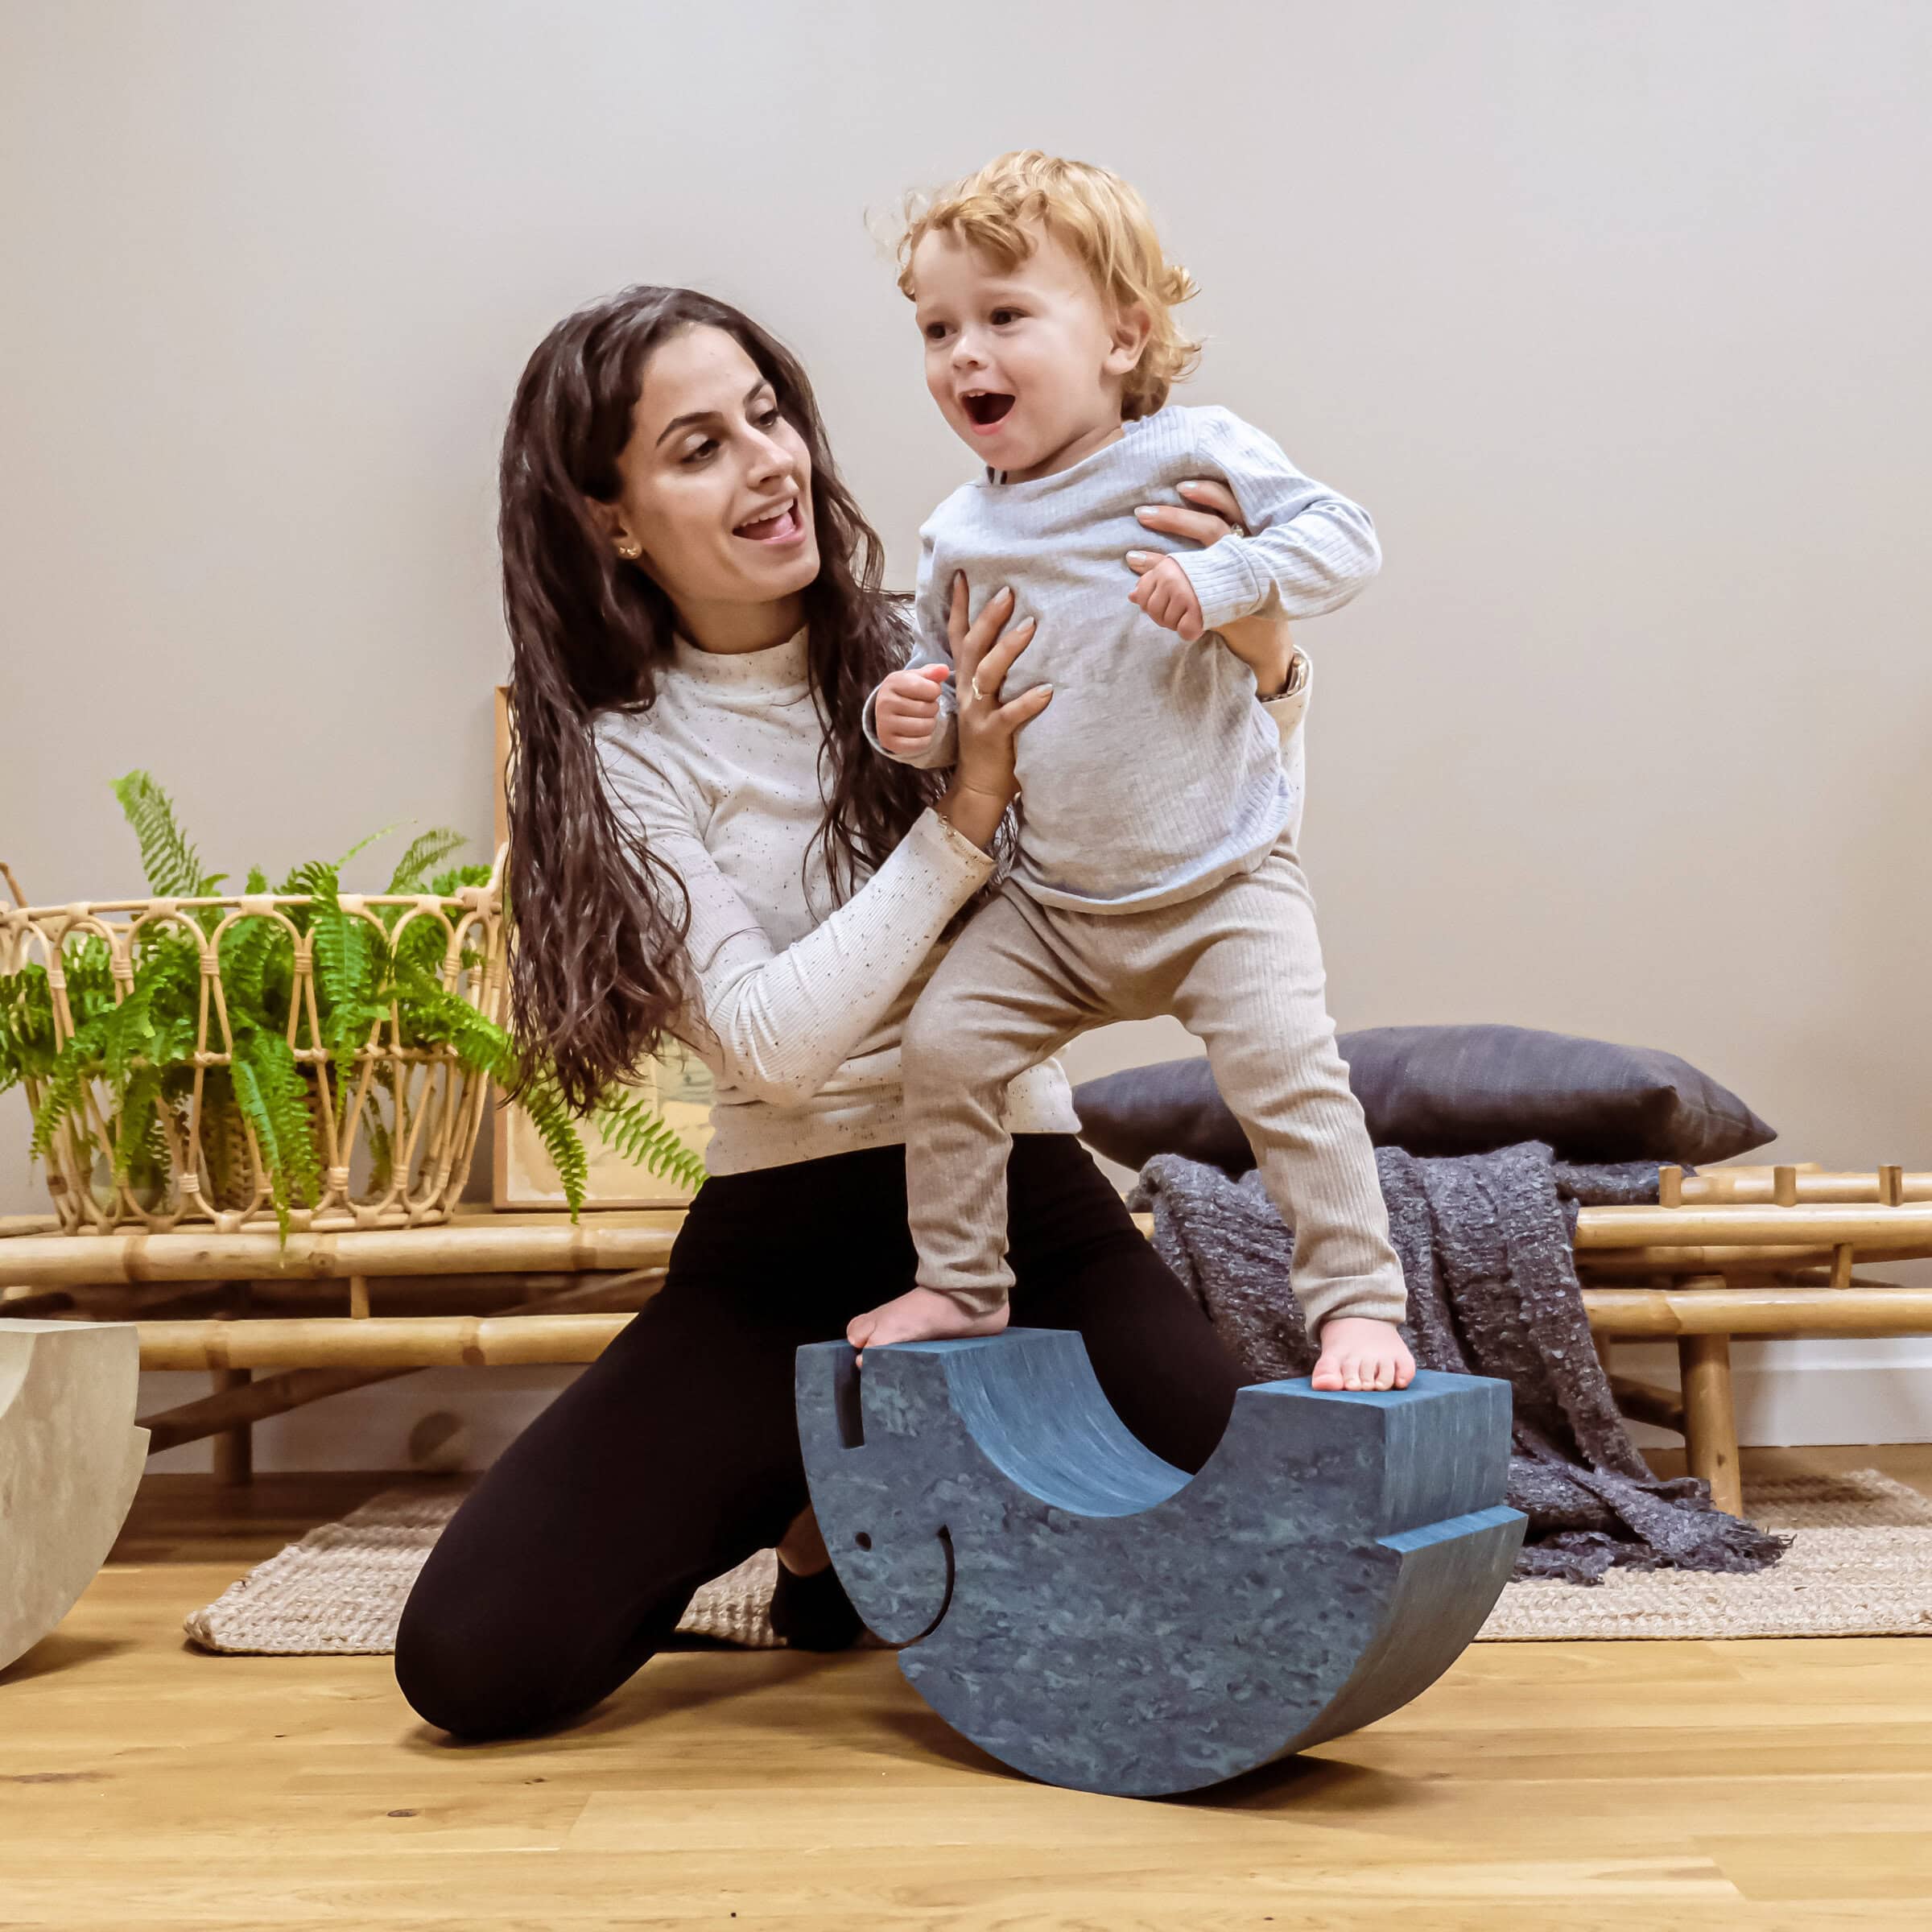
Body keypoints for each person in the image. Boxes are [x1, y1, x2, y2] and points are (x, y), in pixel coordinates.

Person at [393, 281, 1310, 1740]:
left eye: (770, 416)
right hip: (777, 1250)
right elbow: (772, 1043)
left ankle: (846, 1504)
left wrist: (1267, 656)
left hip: (1020, 1212)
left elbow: (1193, 808)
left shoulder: (933, 638)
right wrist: (963, 820)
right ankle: (823, 1479)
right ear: (611, 519)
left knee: (1287, 1579)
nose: (771, 462)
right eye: (697, 446)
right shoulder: (615, 753)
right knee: (473, 1665)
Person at [849, 153, 1415, 1397]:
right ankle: (962, 1280)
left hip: (1221, 883)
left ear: (1123, 335)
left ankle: (1359, 1306)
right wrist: (914, 718)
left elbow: (1345, 539)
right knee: (944, 1047)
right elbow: (957, 697)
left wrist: (1224, 581)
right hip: (1055, 904)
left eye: (1005, 316)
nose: (963, 354)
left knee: (1291, 1073)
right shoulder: (961, 529)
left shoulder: (1190, 455)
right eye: (938, 328)